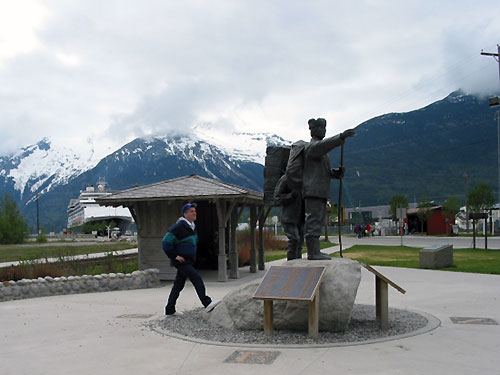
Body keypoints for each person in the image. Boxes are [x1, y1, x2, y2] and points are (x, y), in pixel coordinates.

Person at [303, 118, 355, 260]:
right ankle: (313, 253)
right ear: (313, 130)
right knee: (313, 221)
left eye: (325, 128)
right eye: (321, 128)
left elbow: (320, 171)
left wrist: (335, 173)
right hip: (313, 191)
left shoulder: (321, 152)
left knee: (317, 221)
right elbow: (323, 146)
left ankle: (315, 251)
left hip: (319, 191)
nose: (324, 131)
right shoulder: (312, 147)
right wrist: (341, 137)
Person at [162, 202, 220, 316]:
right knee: (197, 278)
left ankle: (170, 310)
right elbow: (166, 243)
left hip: (188, 260)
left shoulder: (192, 226)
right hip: (182, 261)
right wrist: (175, 256)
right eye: (191, 211)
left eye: (195, 211)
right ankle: (206, 302)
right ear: (185, 214)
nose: (194, 213)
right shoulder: (178, 227)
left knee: (178, 285)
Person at [274, 174, 304, 260]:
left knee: (299, 244)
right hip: (288, 217)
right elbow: (277, 198)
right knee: (294, 239)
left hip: (301, 217)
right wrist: (290, 196)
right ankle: (291, 264)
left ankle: (298, 264)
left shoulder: (304, 178)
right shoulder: (286, 179)